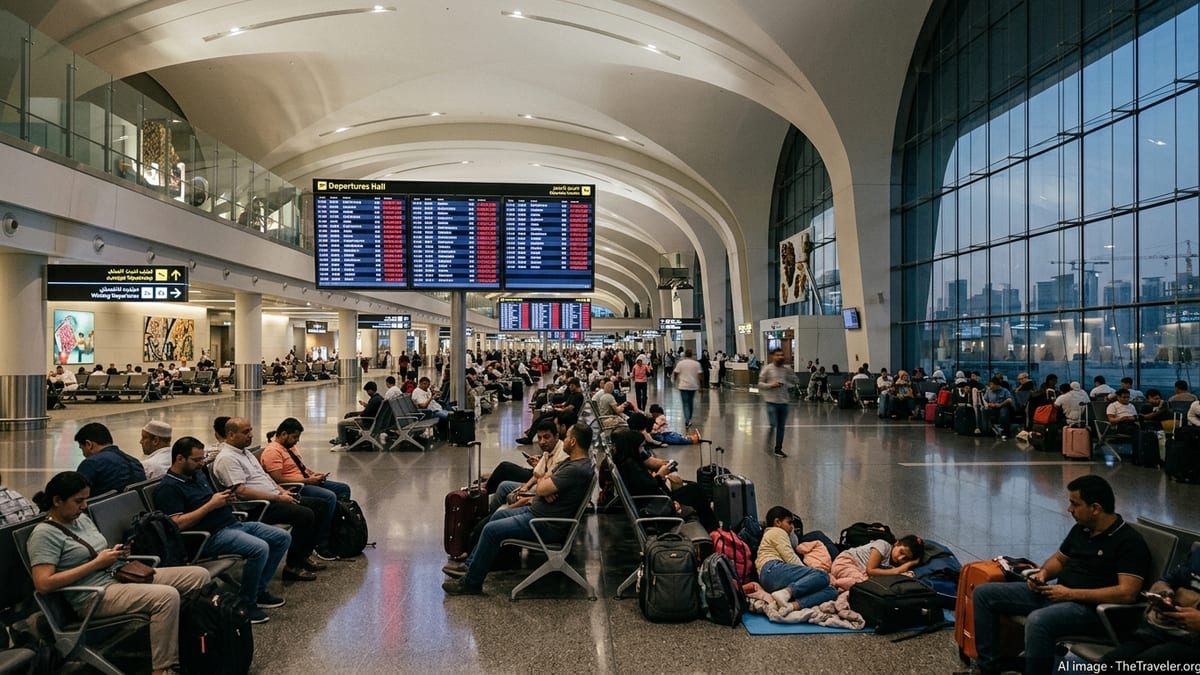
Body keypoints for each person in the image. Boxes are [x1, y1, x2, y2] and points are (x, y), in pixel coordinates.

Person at [27, 471, 210, 674]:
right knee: (166, 597)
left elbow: (95, 554)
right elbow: (43, 583)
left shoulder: (82, 520)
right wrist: (97, 563)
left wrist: (117, 554)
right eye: (78, 501)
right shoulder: (44, 534)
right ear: (57, 500)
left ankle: (192, 641)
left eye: (86, 500)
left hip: (117, 575)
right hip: (93, 595)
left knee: (198, 575)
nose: (84, 506)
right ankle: (163, 668)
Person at [970, 475, 1151, 675]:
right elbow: (1059, 560)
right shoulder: (1082, 529)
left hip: (1092, 611)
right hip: (1058, 595)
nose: (1069, 509)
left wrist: (1070, 594)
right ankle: (989, 669)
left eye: (1075, 504)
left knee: (1039, 621)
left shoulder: (1129, 542)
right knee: (984, 594)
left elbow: (1127, 593)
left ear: (1096, 508)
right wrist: (1043, 574)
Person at [442, 423, 596, 594]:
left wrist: (544, 487)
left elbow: (541, 486)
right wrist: (545, 485)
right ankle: (472, 566)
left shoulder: (574, 469)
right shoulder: (572, 462)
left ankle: (471, 583)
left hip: (546, 524)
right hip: (537, 513)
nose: (564, 439)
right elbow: (543, 478)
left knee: (491, 530)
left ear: (573, 441)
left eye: (566, 436)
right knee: (496, 517)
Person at [155, 437, 291, 624]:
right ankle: (247, 602)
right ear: (180, 459)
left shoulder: (197, 475)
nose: (201, 463)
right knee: (259, 548)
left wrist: (225, 500)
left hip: (232, 524)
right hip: (209, 537)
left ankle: (258, 591)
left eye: (202, 459)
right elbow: (177, 524)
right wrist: (211, 505)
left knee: (282, 537)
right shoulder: (169, 488)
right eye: (196, 460)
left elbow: (210, 499)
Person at [212, 417, 331, 575]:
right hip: (259, 506)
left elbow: (265, 477)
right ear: (231, 435)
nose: (251, 435)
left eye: (251, 430)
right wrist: (278, 498)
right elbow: (241, 492)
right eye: (246, 432)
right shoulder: (227, 458)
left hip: (274, 498)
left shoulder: (245, 453)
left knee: (321, 505)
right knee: (306, 515)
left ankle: (303, 556)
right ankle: (292, 566)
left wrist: (282, 491)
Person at [260, 417, 351, 560]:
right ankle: (321, 543)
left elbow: (299, 467)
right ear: (283, 434)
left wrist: (313, 474)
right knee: (329, 497)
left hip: (306, 480)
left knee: (343, 489)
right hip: (295, 487)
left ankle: (337, 530)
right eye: (295, 437)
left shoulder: (290, 447)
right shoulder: (272, 452)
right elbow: (277, 479)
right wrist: (307, 480)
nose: (297, 440)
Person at [1101, 543, 1200, 666]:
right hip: (1163, 630)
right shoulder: (1197, 554)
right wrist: (1164, 595)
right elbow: (1168, 581)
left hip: (1192, 643)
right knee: (1108, 663)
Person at [609, 428, 718, 531]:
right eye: (641, 447)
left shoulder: (625, 462)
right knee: (696, 491)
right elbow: (649, 487)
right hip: (656, 502)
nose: (642, 450)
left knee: (694, 489)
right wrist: (660, 475)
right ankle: (712, 527)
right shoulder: (631, 465)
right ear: (633, 447)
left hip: (654, 500)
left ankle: (709, 520)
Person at [755, 506, 837, 613]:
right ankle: (786, 593)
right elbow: (790, 557)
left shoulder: (772, 535)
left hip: (771, 579)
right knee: (822, 576)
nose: (792, 527)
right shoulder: (776, 531)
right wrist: (811, 575)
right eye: (789, 523)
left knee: (831, 591)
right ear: (777, 522)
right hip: (773, 569)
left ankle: (791, 606)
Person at [830, 534, 925, 591]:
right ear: (896, 543)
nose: (900, 558)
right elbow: (871, 570)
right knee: (864, 586)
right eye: (901, 552)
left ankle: (842, 587)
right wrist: (899, 570)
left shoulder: (891, 565)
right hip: (846, 562)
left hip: (858, 572)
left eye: (905, 559)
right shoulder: (882, 545)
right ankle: (832, 583)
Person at [74, 422, 146, 495]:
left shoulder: (91, 463)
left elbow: (73, 496)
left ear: (89, 444)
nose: (83, 454)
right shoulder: (134, 462)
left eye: (82, 449)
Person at [758, 348, 796, 458]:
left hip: (784, 402)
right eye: (777, 355)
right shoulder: (767, 369)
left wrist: (791, 378)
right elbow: (760, 384)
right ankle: (768, 443)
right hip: (771, 402)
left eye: (782, 355)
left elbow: (794, 381)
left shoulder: (786, 370)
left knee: (781, 426)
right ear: (773, 356)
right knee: (773, 424)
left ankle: (778, 449)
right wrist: (771, 385)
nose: (780, 357)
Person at [331, 381, 384, 446]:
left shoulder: (373, 400)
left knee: (341, 424)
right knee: (349, 416)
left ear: (370, 390)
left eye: (367, 391)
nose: (367, 393)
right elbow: (371, 410)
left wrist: (357, 416)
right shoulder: (379, 398)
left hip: (367, 422)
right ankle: (341, 438)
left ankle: (341, 441)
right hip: (373, 421)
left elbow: (365, 414)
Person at [672, 349, 703, 428]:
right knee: (690, 402)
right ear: (692, 354)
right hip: (693, 386)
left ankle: (687, 420)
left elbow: (676, 373)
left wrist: (675, 381)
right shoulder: (696, 364)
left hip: (683, 386)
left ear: (685, 354)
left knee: (685, 403)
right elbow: (700, 375)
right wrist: (700, 386)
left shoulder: (680, 363)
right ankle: (689, 418)